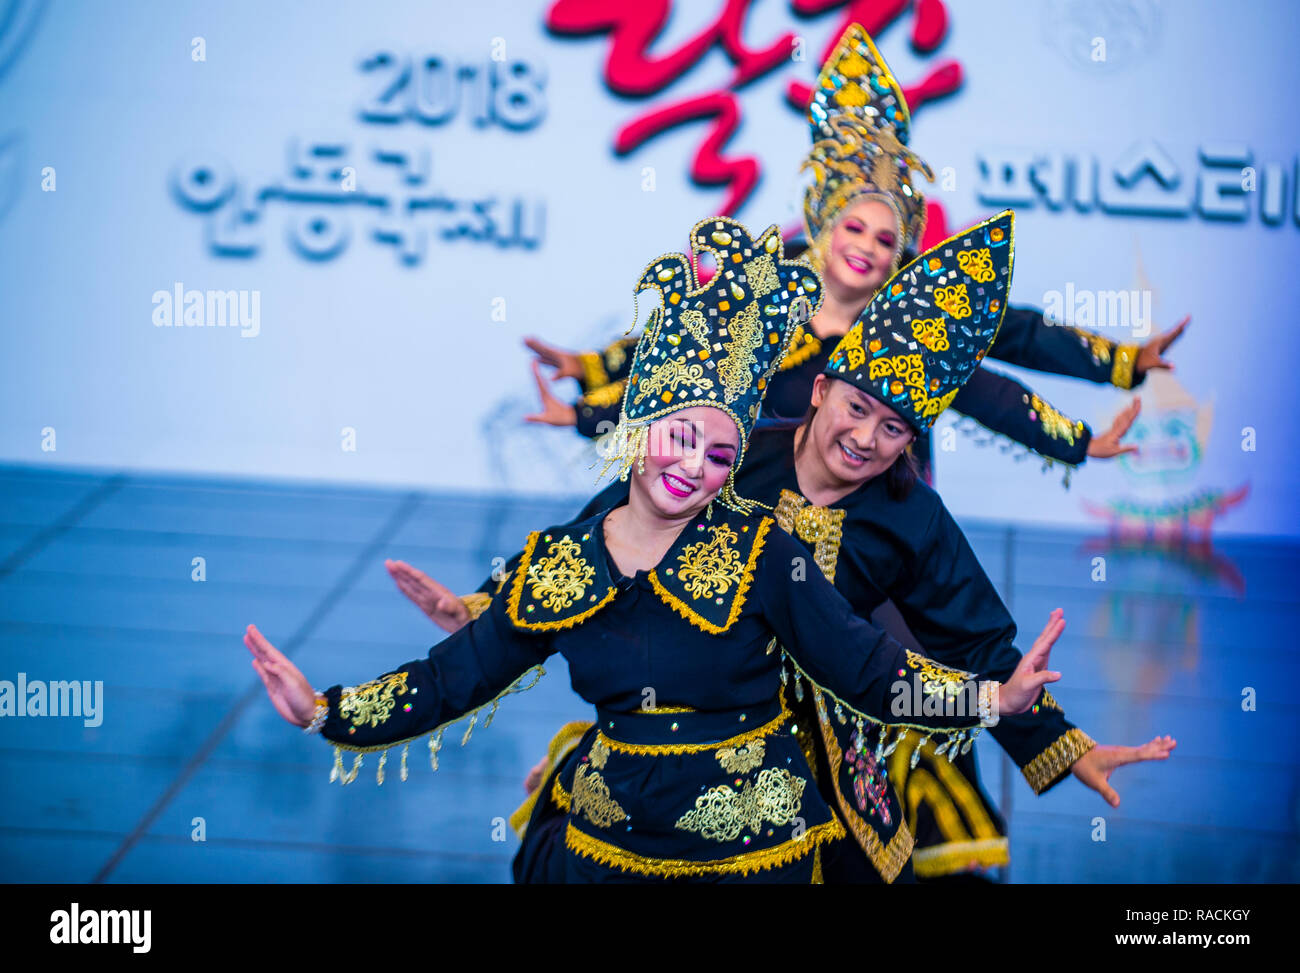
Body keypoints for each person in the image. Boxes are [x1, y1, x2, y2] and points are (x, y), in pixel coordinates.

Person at [246, 215, 1065, 883]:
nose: (694, 467)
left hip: (754, 859)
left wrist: (992, 702)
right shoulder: (563, 564)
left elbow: (869, 670)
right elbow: (449, 678)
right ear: (636, 434)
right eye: (679, 438)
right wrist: (325, 710)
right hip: (609, 851)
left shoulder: (764, 552)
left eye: (719, 454)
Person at [521, 24, 1189, 485]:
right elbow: (684, 353)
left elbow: (1007, 362)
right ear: (825, 222)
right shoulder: (766, 279)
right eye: (854, 228)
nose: (868, 247)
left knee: (902, 670)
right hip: (758, 510)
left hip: (878, 514)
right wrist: (587, 376)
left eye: (885, 236)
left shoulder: (918, 305)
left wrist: (1118, 372)